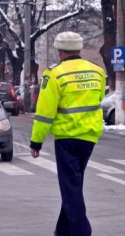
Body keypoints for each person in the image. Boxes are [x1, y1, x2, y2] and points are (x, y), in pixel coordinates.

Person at [29, 31, 106, 236]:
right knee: (73, 185)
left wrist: (36, 142)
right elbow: (99, 97)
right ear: (79, 49)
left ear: (59, 50)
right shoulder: (97, 72)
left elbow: (45, 113)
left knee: (71, 188)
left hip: (66, 138)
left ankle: (82, 232)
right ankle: (62, 231)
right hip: (89, 136)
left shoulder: (54, 74)